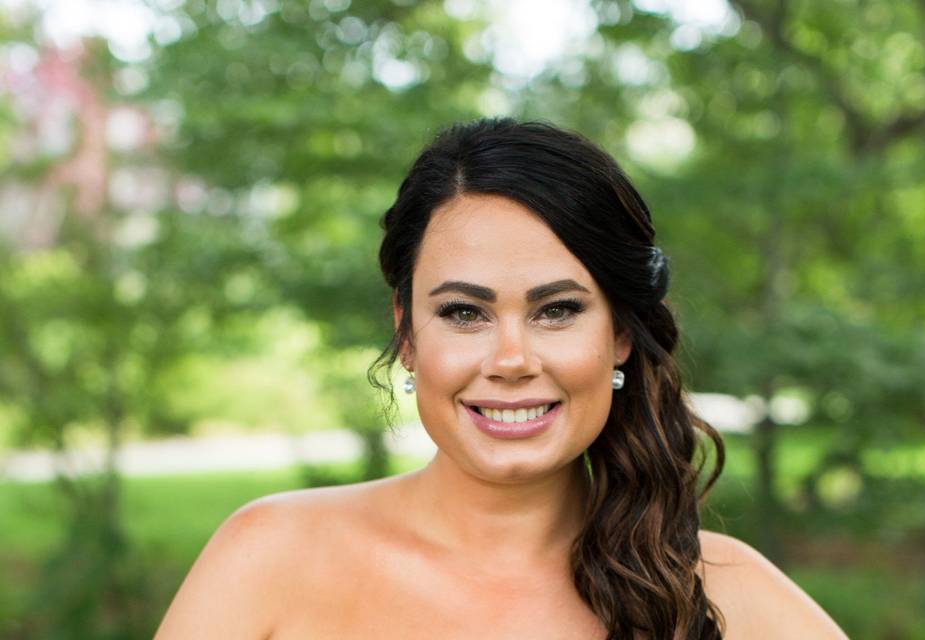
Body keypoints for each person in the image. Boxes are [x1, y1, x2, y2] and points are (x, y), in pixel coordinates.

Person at [155, 118, 849, 639]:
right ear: (406, 332)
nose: (511, 359)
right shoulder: (271, 558)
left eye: (557, 310)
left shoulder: (724, 595)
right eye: (464, 312)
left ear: (619, 335)